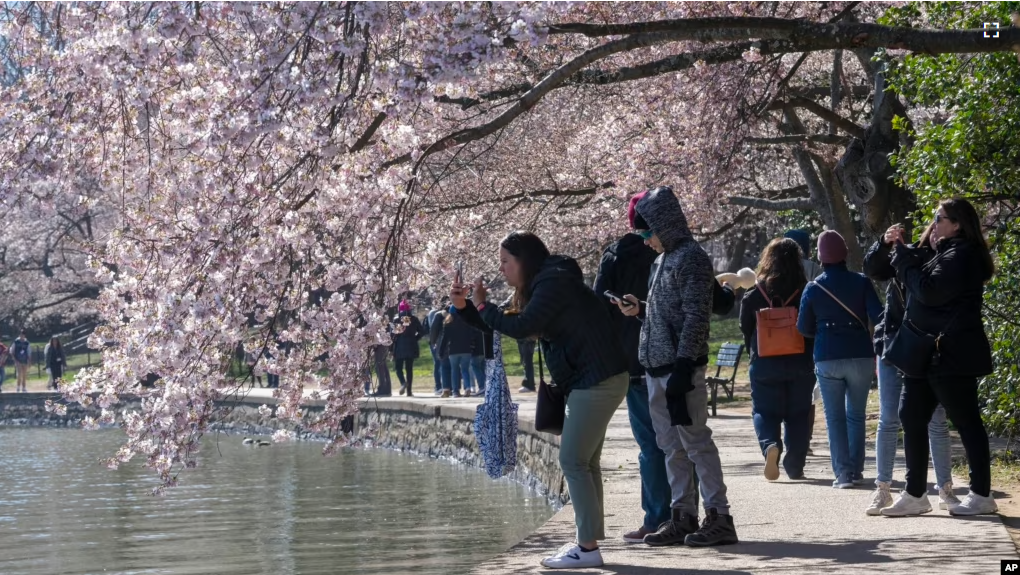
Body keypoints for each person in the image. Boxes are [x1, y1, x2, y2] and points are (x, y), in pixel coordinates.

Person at [450, 231, 628, 569]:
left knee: (573, 461)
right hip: (595, 379)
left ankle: (587, 548)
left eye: (505, 261)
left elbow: (523, 325)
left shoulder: (553, 283)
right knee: (584, 463)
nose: (501, 269)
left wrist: (483, 305)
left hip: (597, 381)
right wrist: (466, 308)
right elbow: (508, 324)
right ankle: (586, 541)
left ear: (524, 260)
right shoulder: (547, 282)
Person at [618, 186, 738, 548]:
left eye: (646, 232)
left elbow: (696, 318)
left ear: (664, 226)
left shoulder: (691, 259)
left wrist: (684, 368)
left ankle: (720, 516)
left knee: (696, 443)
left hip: (680, 369)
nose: (644, 240)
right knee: (671, 448)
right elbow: (668, 313)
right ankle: (681, 515)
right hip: (656, 369)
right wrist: (642, 309)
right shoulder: (661, 260)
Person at [883, 198, 997, 516]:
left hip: (950, 353)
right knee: (911, 417)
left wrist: (906, 263)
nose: (934, 223)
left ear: (958, 223)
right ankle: (915, 493)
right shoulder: (944, 252)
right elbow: (912, 279)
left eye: (940, 218)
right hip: (925, 353)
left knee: (966, 421)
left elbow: (931, 291)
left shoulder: (963, 255)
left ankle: (981, 494)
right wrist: (910, 253)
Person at [863, 220, 958, 515]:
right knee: (888, 418)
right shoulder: (908, 256)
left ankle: (946, 489)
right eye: (934, 225)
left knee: (936, 420)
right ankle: (883, 489)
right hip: (894, 343)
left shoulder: (951, 261)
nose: (935, 233)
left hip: (930, 348)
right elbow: (873, 269)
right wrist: (884, 243)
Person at [593, 198, 671, 544]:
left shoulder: (614, 256)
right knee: (680, 440)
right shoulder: (672, 251)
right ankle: (685, 512)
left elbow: (597, 309)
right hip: (673, 355)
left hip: (633, 360)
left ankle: (656, 516)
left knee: (650, 444)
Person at [797, 231, 882, 489]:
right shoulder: (862, 282)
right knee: (856, 415)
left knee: (834, 418)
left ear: (821, 258)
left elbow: (803, 327)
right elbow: (878, 316)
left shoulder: (813, 287)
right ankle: (856, 470)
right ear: (845, 253)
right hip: (860, 354)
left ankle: (843, 474)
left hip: (828, 357)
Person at [739, 238, 815, 481]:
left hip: (764, 362)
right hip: (800, 361)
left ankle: (770, 444)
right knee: (799, 414)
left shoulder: (754, 294)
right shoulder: (806, 290)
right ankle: (795, 466)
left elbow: (745, 327)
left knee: (764, 410)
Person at [784, 228, 822, 455]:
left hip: (783, 335)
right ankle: (804, 439)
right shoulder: (814, 269)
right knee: (808, 392)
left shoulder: (779, 267)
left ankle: (787, 439)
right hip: (808, 335)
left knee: (786, 389)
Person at [391, 300, 426, 397]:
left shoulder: (397, 319)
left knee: (398, 368)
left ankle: (403, 382)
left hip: (399, 346)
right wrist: (415, 338)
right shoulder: (414, 319)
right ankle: (409, 391)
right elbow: (422, 331)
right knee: (409, 369)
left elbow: (394, 335)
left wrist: (391, 348)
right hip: (411, 346)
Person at [442, 310, 476, 398]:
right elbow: (472, 335)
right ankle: (467, 387)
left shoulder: (448, 323)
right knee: (465, 369)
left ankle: (456, 391)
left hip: (453, 350)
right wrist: (472, 346)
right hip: (466, 349)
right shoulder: (467, 322)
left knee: (454, 370)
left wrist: (441, 351)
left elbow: (444, 338)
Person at [427, 298, 452, 396]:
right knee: (454, 367)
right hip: (455, 344)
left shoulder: (437, 315)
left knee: (444, 366)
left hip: (442, 344)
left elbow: (433, 330)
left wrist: (433, 342)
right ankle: (455, 389)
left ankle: (445, 388)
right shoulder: (457, 313)